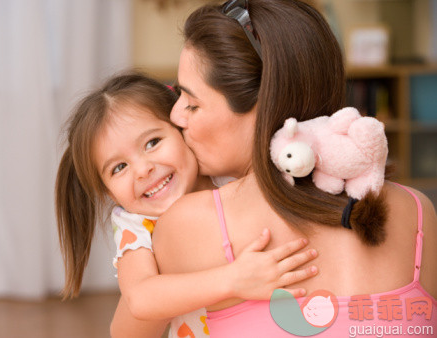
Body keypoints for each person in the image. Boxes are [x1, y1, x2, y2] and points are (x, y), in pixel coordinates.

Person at [153, 0, 437, 336]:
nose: (175, 116)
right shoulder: (417, 212)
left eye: (192, 103)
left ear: (264, 104)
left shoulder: (189, 223)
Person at [54, 72, 319, 337]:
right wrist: (234, 279)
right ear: (108, 193)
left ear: (182, 130)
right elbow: (140, 298)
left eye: (152, 142)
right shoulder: (135, 224)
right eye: (119, 167)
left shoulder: (225, 175)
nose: (143, 170)